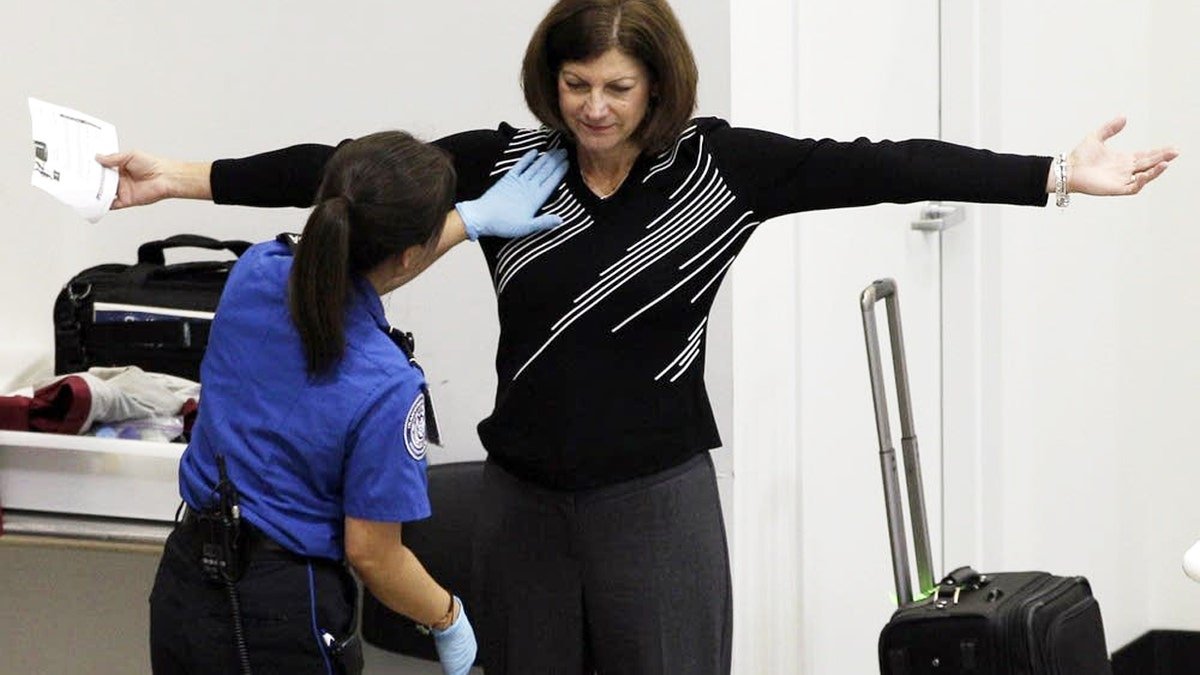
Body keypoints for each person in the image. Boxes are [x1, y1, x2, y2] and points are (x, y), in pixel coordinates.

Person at [101, 1, 1178, 672]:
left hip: (654, 504)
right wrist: (184, 177)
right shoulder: (510, 164)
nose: (596, 108)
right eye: (576, 86)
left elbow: (884, 161)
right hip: (522, 504)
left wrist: (1049, 177)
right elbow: (344, 172)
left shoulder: (721, 169)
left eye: (618, 88)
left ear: (658, 85)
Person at [142, 131, 567, 675]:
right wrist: (447, 616)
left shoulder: (256, 271)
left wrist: (466, 222)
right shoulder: (386, 386)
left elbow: (340, 268)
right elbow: (373, 554)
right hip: (281, 615)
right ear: (410, 253)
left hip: (185, 585)